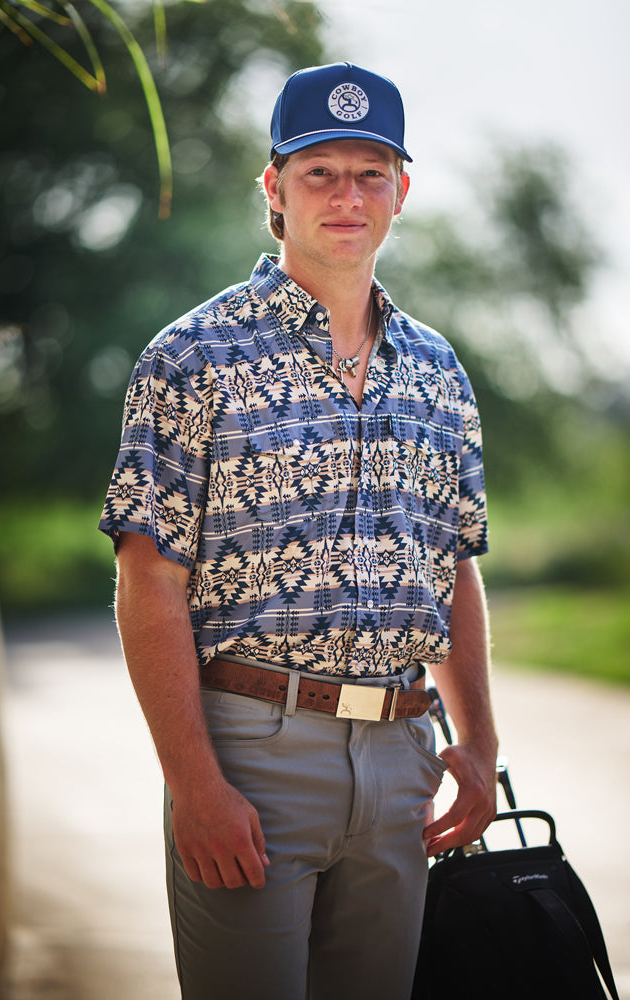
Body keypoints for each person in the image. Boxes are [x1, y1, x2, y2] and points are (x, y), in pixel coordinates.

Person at [99, 61, 498, 1000]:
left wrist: (478, 745)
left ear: (401, 191)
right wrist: (195, 783)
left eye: (369, 172)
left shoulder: (438, 371)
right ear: (273, 190)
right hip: (251, 754)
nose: (346, 195)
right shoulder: (191, 356)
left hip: (404, 755)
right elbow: (149, 578)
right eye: (319, 172)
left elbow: (452, 569)